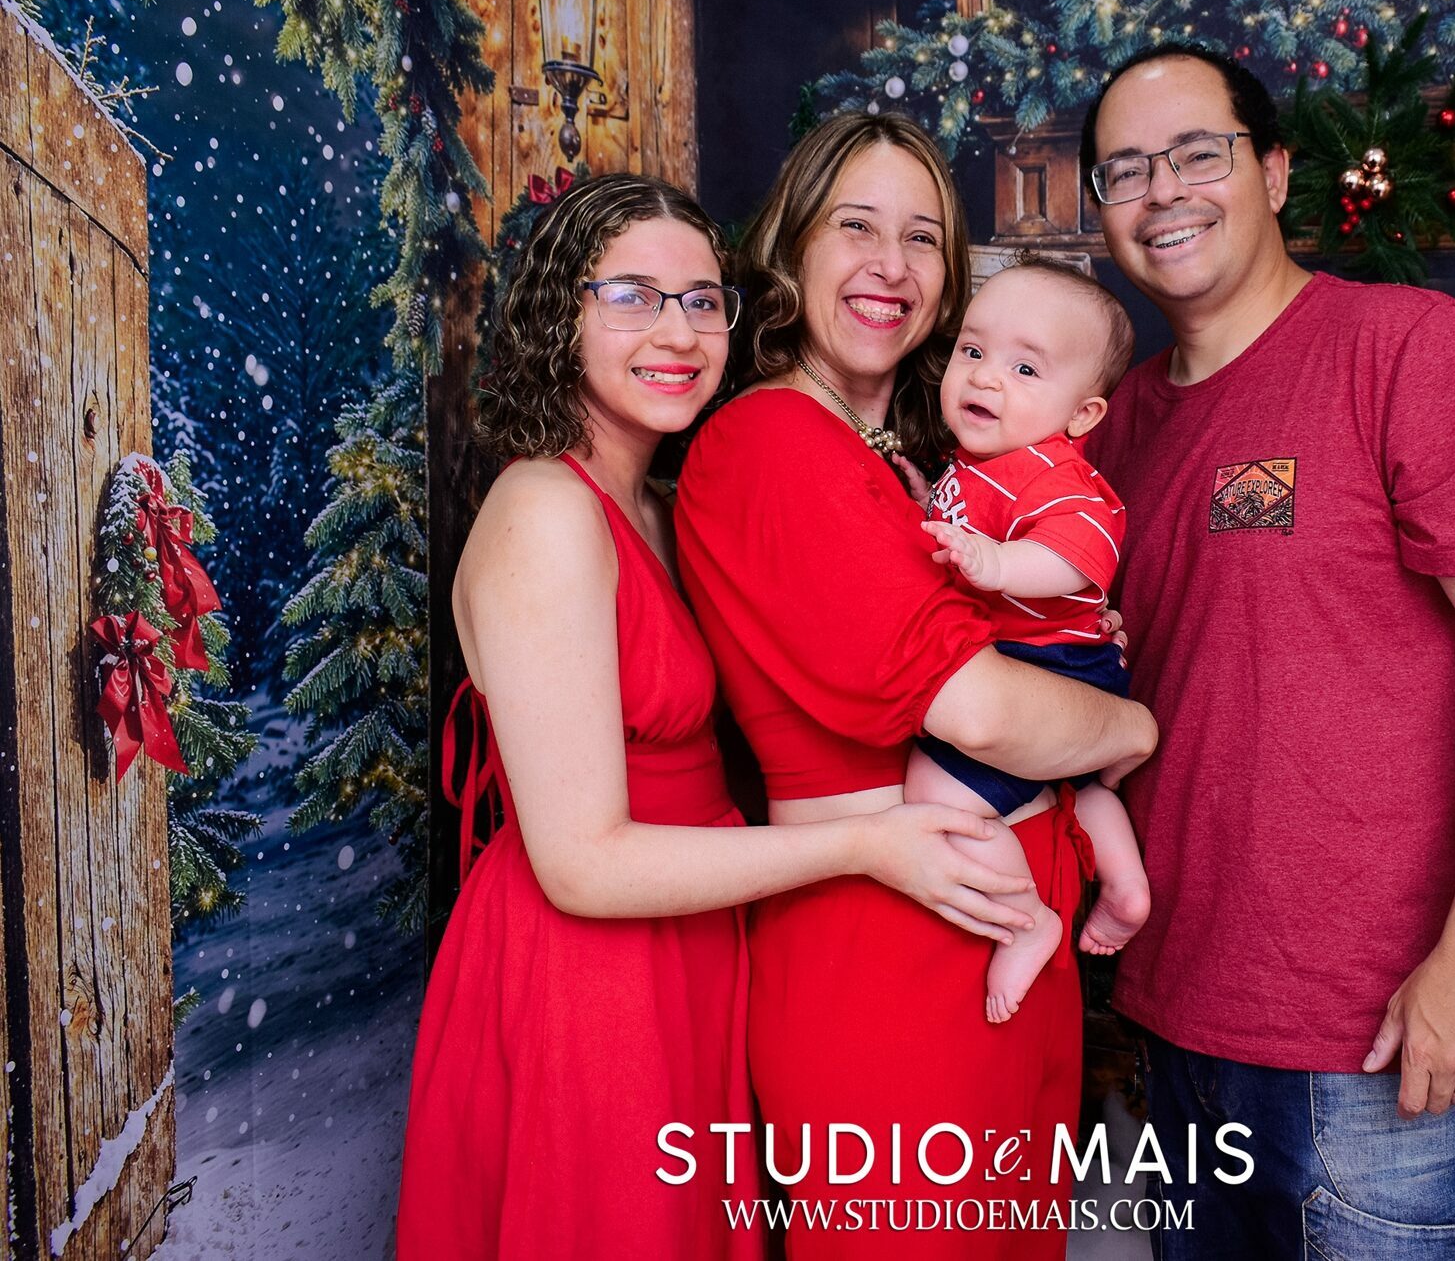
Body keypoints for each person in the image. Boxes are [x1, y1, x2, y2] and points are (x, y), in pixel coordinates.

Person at [396, 173, 1043, 1261]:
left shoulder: (655, 503)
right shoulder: (545, 508)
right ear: (560, 314)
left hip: (692, 942)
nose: (679, 332)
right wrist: (865, 845)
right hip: (587, 975)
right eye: (633, 297)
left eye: (703, 301)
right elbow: (583, 865)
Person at [1078, 45, 1455, 1260]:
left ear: (1272, 171)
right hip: (1175, 1021)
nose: (1163, 192)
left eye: (1197, 154)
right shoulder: (1115, 424)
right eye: (1126, 170)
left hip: (1378, 1039)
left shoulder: (1402, 348)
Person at [675, 113, 1158, 1261]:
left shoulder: (918, 465)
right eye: (856, 226)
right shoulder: (774, 440)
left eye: (924, 237)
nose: (891, 265)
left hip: (992, 930)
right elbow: (981, 709)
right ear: (792, 245)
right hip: (891, 950)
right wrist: (1131, 722)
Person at [896, 259, 1152, 1024]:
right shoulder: (983, 463)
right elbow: (969, 517)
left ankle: (1025, 917)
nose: (985, 377)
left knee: (935, 793)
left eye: (1025, 368)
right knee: (1078, 787)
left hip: (1051, 663)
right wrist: (924, 504)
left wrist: (998, 564)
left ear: (1083, 414)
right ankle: (1126, 887)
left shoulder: (1056, 477)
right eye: (973, 351)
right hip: (1046, 663)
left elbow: (1083, 555)